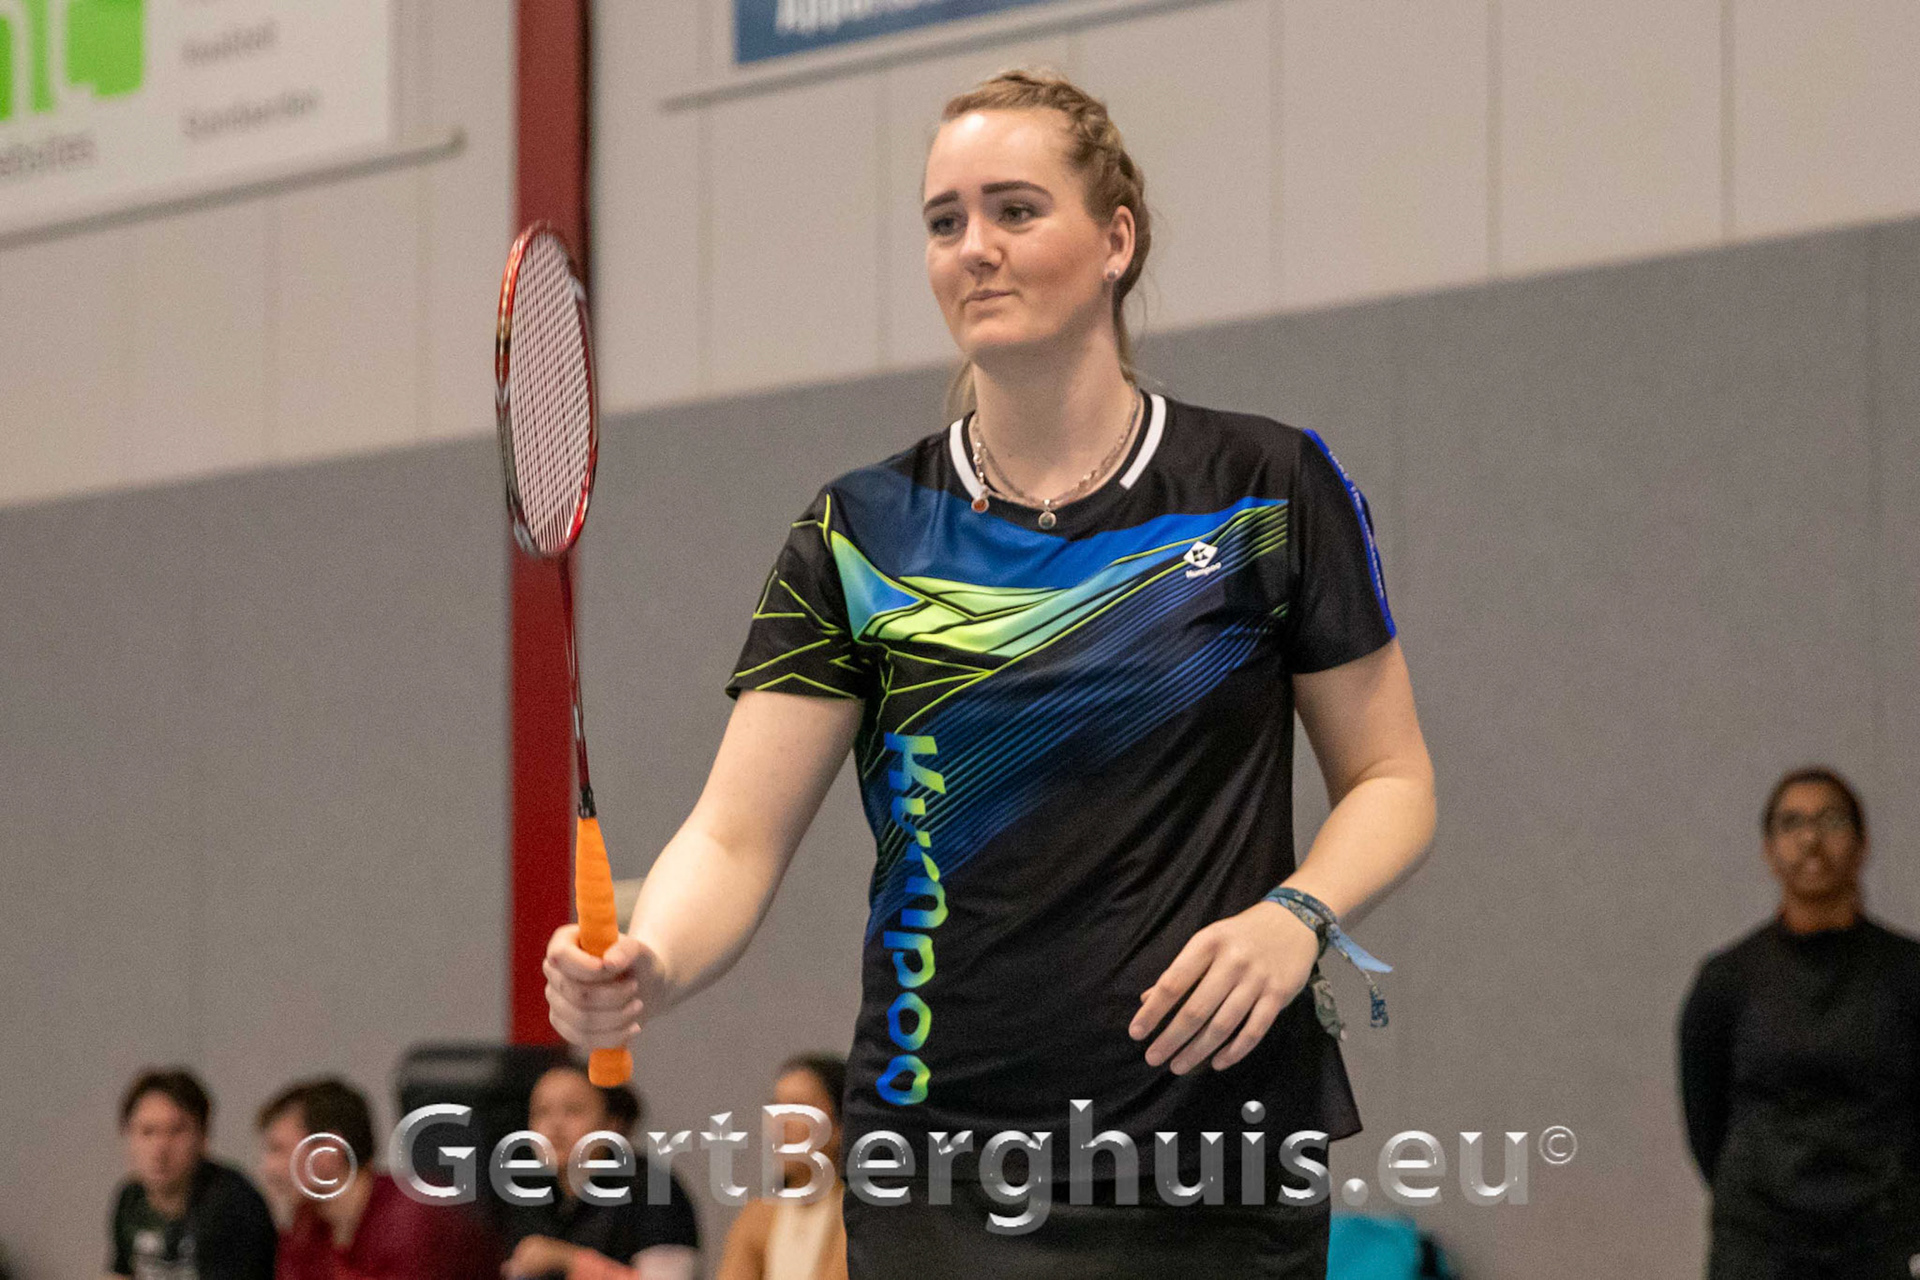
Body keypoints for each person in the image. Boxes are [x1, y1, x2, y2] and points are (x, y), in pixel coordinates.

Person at [545, 68, 1435, 1278]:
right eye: (944, 220)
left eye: (1016, 209)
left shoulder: (1267, 488)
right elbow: (735, 837)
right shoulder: (862, 530)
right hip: (940, 1154)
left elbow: (1392, 777)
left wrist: (1298, 915)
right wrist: (653, 956)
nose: (975, 247)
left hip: (1212, 1146)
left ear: (1116, 239)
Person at [1679, 767, 1920, 1278]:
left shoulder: (1908, 974)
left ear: (1863, 844)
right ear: (1769, 851)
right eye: (1791, 823)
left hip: (1879, 1240)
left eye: (1831, 821)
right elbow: (1705, 1119)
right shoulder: (1728, 980)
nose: (1811, 840)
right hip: (1759, 1243)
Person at [260, 1077, 499, 1280]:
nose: (267, 1168)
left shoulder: (413, 1218)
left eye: (278, 1150)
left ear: (329, 1150)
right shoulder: (307, 1225)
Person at [499, 1061, 701, 1280]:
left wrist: (568, 1260)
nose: (555, 1125)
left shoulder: (654, 1189)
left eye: (573, 1110)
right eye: (542, 1112)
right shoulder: (532, 1194)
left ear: (612, 1122)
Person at [108, 1067, 277, 1280]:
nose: (160, 1149)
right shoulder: (131, 1199)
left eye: (176, 1131)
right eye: (147, 1132)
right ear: (127, 1136)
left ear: (203, 1136)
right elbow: (121, 1273)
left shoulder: (235, 1203)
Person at [715, 1055, 850, 1280]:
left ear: (839, 1126)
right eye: (776, 1108)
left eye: (799, 1108)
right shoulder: (757, 1216)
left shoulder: (859, 1218)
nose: (781, 1123)